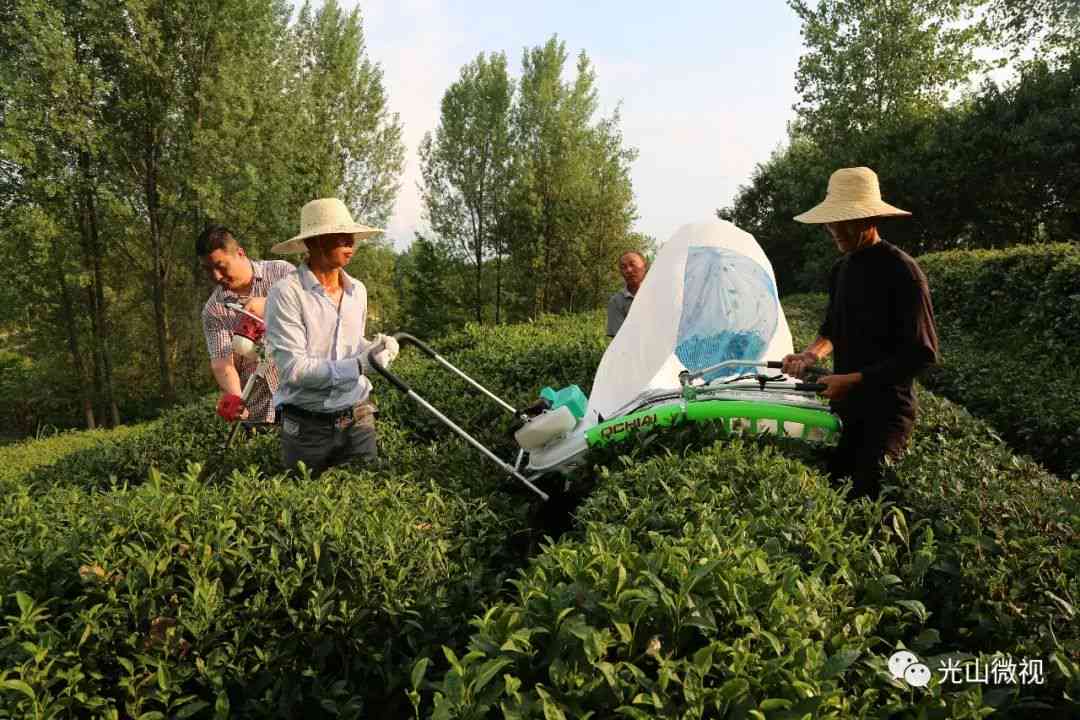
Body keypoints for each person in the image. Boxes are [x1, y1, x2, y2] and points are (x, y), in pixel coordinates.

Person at [782, 167, 939, 501]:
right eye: (831, 222)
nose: (834, 230)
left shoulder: (903, 272)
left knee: (870, 503)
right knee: (837, 499)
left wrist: (852, 379)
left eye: (844, 221)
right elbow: (832, 330)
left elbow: (921, 353)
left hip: (886, 418)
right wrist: (810, 355)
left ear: (870, 219)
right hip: (846, 410)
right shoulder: (841, 268)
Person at [264, 198, 399, 477]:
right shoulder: (287, 293)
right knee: (306, 505)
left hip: (357, 413)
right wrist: (361, 365)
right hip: (307, 428)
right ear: (314, 243)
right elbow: (295, 369)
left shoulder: (357, 290)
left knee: (368, 491)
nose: (350, 242)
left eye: (351, 235)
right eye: (340, 236)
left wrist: (377, 348)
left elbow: (351, 343)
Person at [198, 225, 295, 427]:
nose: (216, 276)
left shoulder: (281, 272)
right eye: (208, 270)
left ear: (240, 253)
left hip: (302, 399)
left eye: (221, 266)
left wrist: (270, 304)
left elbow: (315, 310)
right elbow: (222, 363)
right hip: (259, 414)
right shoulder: (214, 310)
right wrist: (237, 399)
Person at [606, 250, 648, 337]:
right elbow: (618, 340)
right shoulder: (616, 301)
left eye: (632, 264)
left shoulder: (659, 294)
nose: (628, 270)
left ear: (645, 267)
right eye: (623, 267)